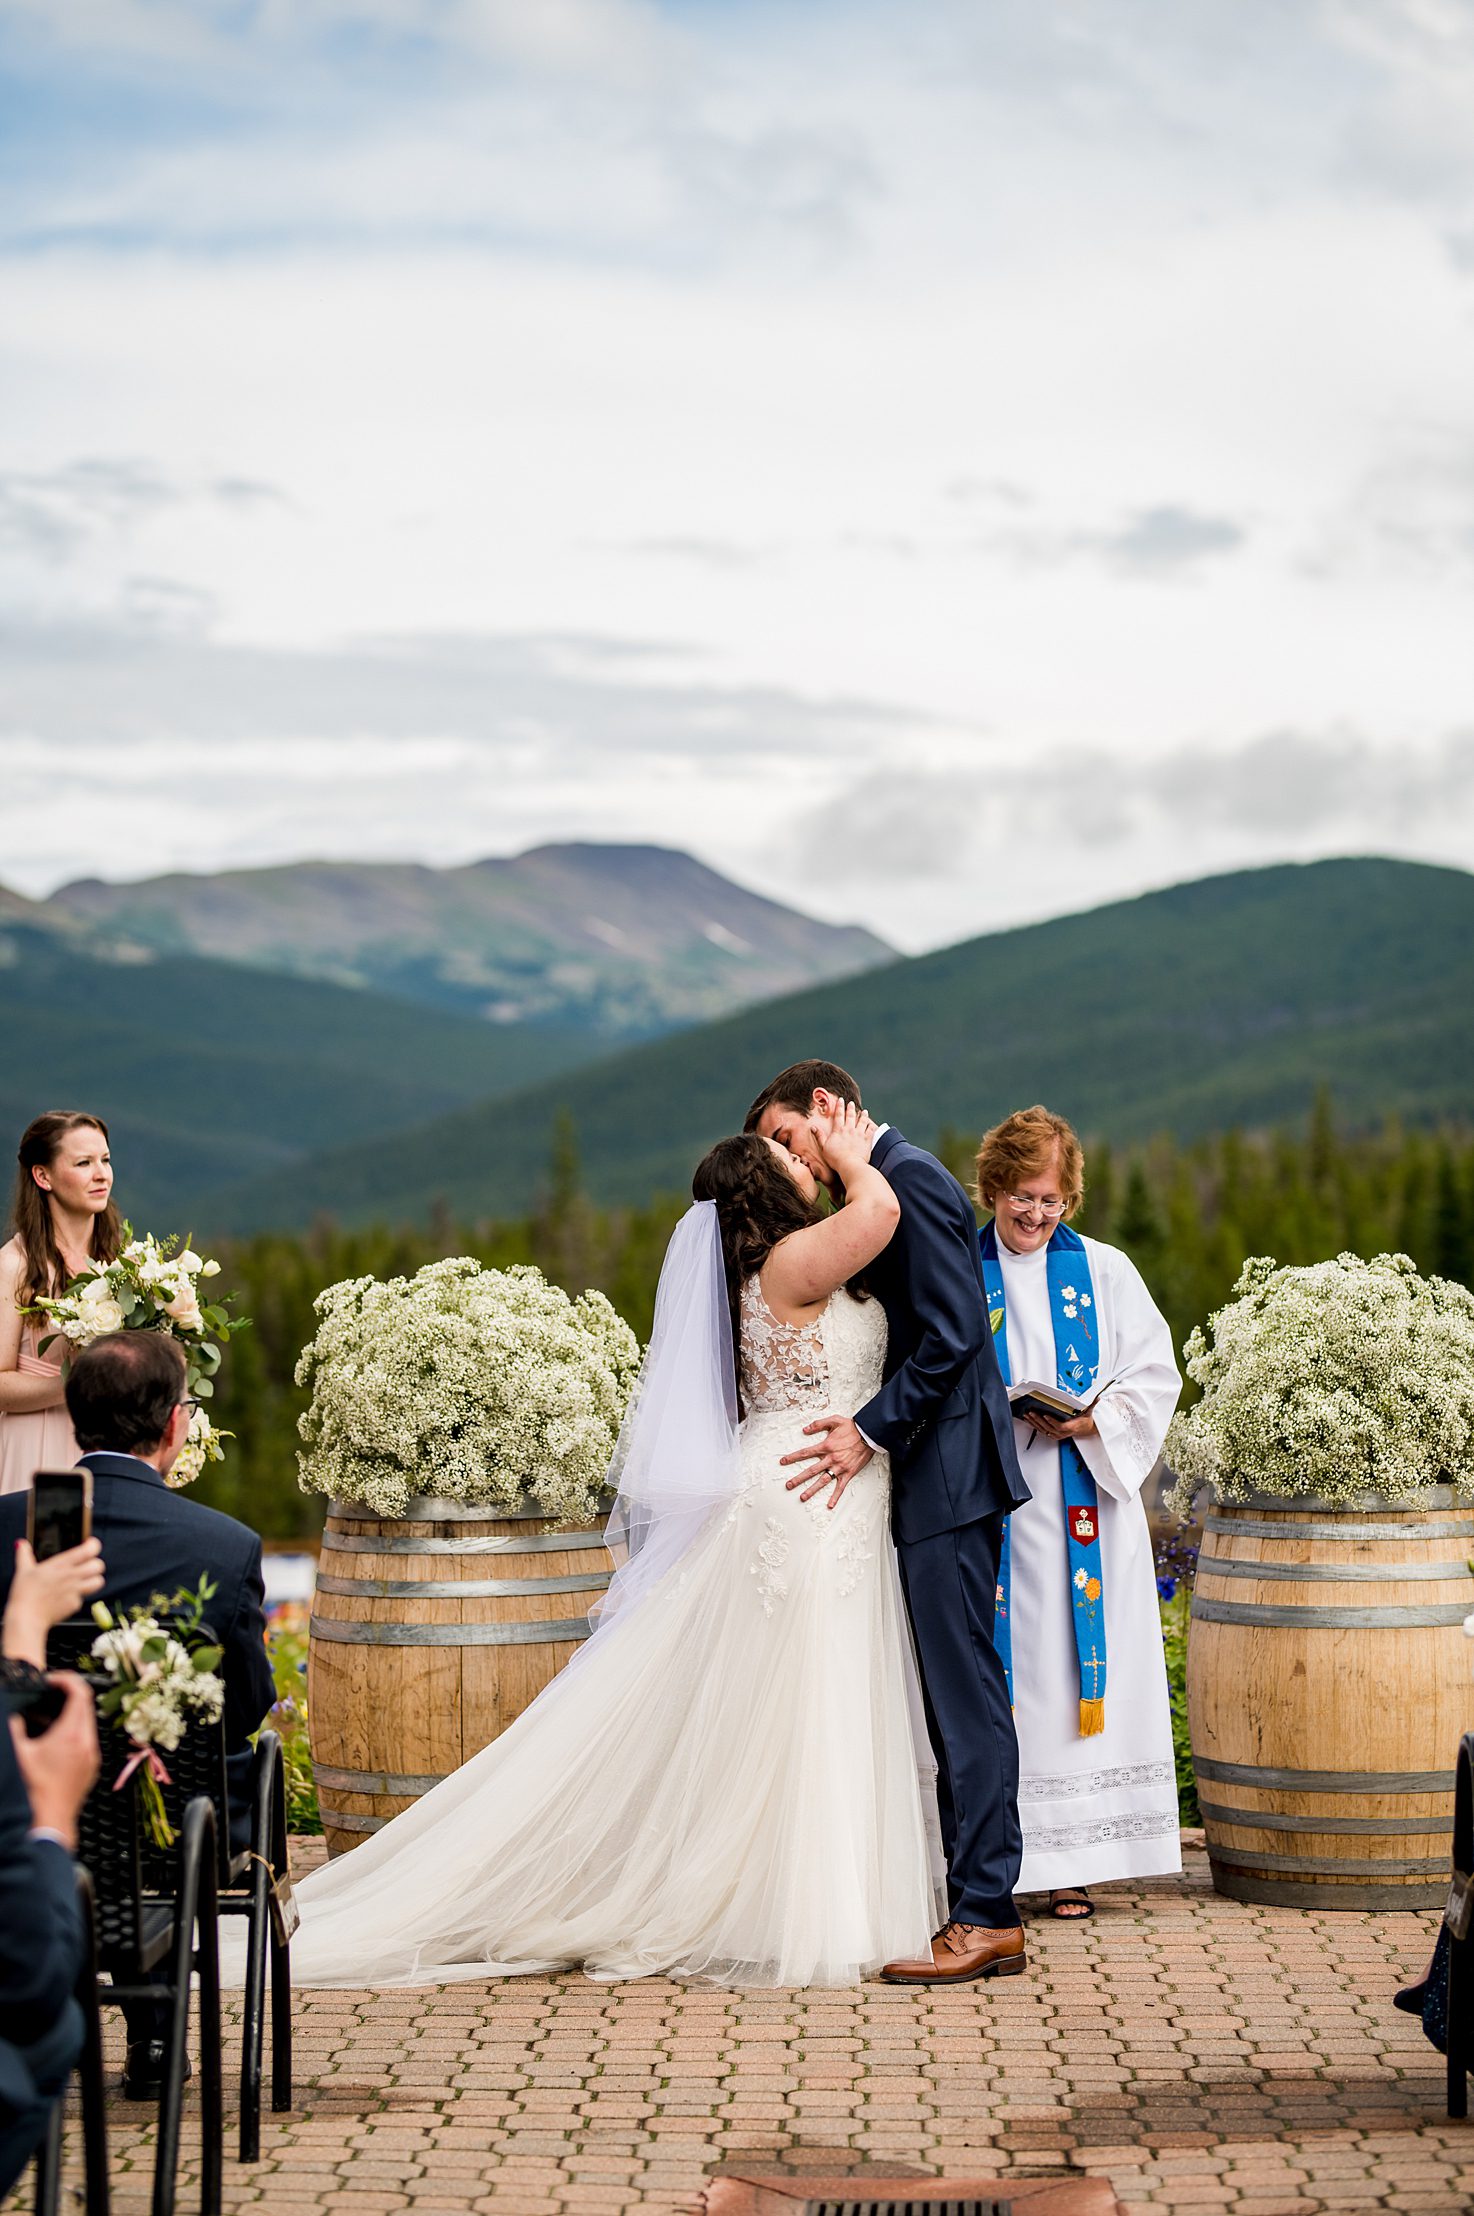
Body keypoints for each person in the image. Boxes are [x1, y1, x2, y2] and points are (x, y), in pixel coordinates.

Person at [219, 1100, 947, 1991]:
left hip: (817, 1488)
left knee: (798, 1699)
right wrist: (853, 1145)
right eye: (789, 1159)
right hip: (804, 1495)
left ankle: (794, 1892)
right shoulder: (793, 1261)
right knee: (808, 1694)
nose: (807, 1164)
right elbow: (880, 1212)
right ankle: (809, 1903)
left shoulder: (766, 1271)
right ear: (767, 1192)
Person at [747, 1060, 1032, 1986]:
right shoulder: (888, 1179)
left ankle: (987, 1914)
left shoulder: (907, 1178)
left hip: (947, 1473)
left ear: (827, 1110)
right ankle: (972, 1901)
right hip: (932, 1472)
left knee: (965, 1696)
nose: (795, 1162)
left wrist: (868, 1431)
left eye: (791, 1139)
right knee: (954, 1695)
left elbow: (954, 1333)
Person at [0, 1329, 274, 2097]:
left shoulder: (6, 1527)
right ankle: (156, 2038)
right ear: (174, 1427)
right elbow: (246, 1702)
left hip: (27, 1807)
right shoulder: (222, 1545)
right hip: (179, 1829)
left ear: (74, 1418)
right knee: (199, 1781)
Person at [974, 1105, 1182, 1917]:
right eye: (1022, 1196)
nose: (1035, 1214)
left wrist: (1092, 1418)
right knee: (1007, 1680)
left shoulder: (1104, 1270)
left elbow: (1153, 1374)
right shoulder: (961, 1264)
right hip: (997, 1511)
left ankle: (1074, 1860)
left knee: (1069, 1684)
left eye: (1051, 1199)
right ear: (994, 1187)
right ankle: (997, 1855)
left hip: (1083, 1502)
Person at [1, 1541, 104, 2198]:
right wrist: (54, 1819)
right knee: (55, 2023)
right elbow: (29, 1972)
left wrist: (24, 1633)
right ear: (176, 1429)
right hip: (185, 1847)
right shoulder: (224, 1543)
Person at [1, 1111, 122, 1495]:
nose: (101, 1174)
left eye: (105, 1160)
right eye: (83, 1163)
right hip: (36, 1444)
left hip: (109, 1446)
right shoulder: (14, 1265)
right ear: (43, 1176)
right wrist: (76, 1382)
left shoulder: (125, 1265)